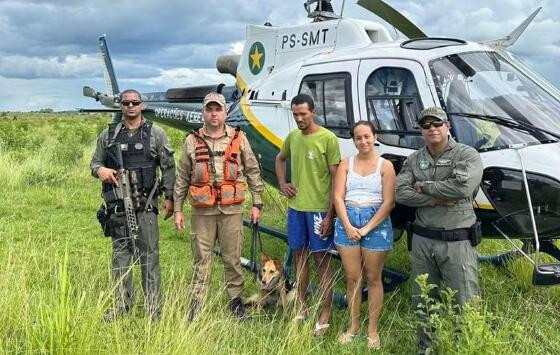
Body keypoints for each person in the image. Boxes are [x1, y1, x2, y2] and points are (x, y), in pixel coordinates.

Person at [395, 106, 483, 353]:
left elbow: (461, 190)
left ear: (448, 126)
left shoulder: (467, 156)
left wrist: (423, 186)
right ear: (421, 131)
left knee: (464, 303)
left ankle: (465, 348)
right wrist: (434, 198)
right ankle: (426, 349)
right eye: (426, 125)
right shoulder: (414, 159)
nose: (432, 128)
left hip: (457, 242)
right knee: (424, 303)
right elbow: (400, 192)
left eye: (437, 123)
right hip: (422, 241)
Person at [173, 92, 264, 321]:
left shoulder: (238, 139)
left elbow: (252, 171)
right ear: (203, 112)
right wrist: (177, 209)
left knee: (232, 258)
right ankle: (196, 307)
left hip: (231, 211)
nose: (213, 113)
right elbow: (182, 177)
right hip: (202, 212)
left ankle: (236, 303)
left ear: (225, 112)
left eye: (218, 109)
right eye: (209, 109)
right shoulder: (192, 141)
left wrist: (257, 203)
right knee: (201, 259)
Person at [91, 89, 176, 322]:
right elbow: (95, 162)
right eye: (126, 103)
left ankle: (153, 311)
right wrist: (101, 171)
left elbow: (168, 166)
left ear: (141, 105)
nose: (130, 106)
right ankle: (122, 305)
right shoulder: (108, 135)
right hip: (117, 208)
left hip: (145, 207)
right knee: (121, 256)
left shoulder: (155, 133)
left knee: (149, 256)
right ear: (121, 106)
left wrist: (170, 197)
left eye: (135, 102)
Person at [275, 93, 340, 336]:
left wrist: (329, 215)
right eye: (295, 115)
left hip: (318, 211)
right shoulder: (292, 137)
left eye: (303, 114)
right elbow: (280, 159)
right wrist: (283, 183)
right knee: (300, 259)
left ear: (314, 111)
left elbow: (336, 180)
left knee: (321, 261)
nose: (299, 119)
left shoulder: (328, 139)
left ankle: (325, 312)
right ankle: (302, 308)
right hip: (296, 209)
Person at [332, 121, 395, 350]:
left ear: (375, 136)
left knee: (373, 277)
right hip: (348, 219)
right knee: (352, 278)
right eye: (358, 138)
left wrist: (367, 228)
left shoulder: (385, 166)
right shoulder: (345, 164)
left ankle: (372, 330)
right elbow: (338, 196)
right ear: (354, 140)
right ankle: (353, 326)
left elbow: (389, 202)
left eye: (367, 136)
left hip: (375, 222)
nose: (363, 141)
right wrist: (347, 225)